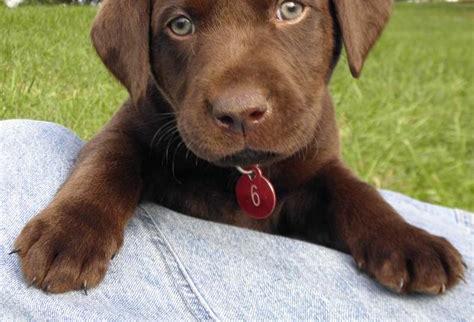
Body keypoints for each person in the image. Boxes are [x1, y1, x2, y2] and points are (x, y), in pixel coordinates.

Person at [1, 120, 472, 320]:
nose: (241, 97)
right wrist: (88, 208)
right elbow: (121, 144)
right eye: (181, 24)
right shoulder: (153, 119)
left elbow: (326, 184)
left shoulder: (310, 133)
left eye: (291, 8)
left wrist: (380, 226)